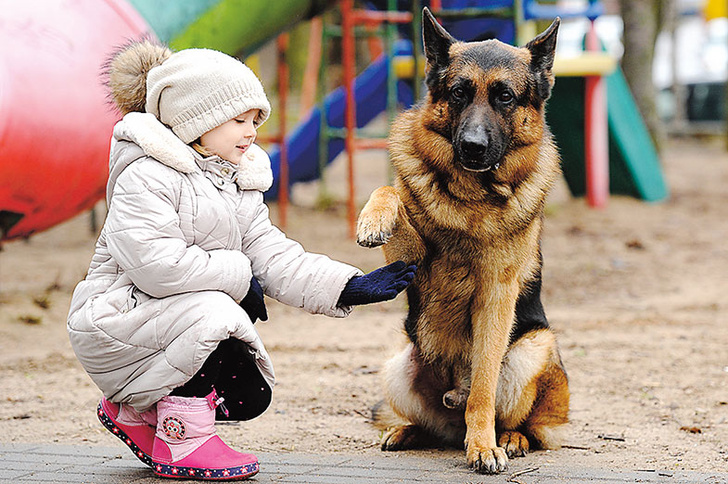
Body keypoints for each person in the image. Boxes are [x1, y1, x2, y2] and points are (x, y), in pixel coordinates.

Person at [67, 40, 416, 481]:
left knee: (249, 390)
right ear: (198, 120)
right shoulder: (145, 175)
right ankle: (183, 441)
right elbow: (158, 266)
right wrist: (237, 275)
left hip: (163, 319)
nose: (251, 132)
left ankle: (138, 413)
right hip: (114, 318)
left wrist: (346, 285)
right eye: (239, 120)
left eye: (256, 120)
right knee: (216, 313)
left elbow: (269, 251)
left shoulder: (232, 180)